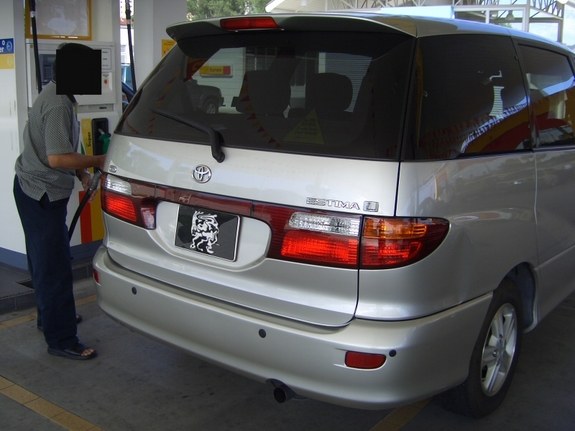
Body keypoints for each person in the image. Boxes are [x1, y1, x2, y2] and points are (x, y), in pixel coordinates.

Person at [13, 43, 105, 360]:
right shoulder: (58, 104)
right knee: (54, 267)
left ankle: (49, 317)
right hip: (39, 193)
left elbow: (64, 149)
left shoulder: (62, 96)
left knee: (46, 260)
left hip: (35, 190)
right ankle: (62, 339)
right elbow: (56, 158)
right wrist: (100, 159)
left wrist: (82, 174)